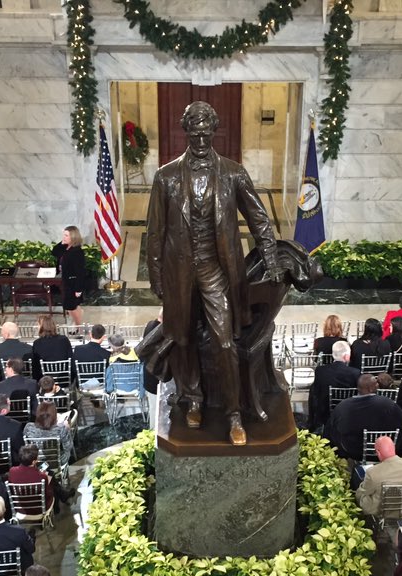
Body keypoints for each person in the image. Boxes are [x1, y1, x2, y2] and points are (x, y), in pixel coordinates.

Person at [145, 101, 281, 447]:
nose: (202, 138)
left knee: (224, 340)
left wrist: (272, 258)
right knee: (184, 338)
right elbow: (156, 231)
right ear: (186, 131)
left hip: (216, 269)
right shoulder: (166, 176)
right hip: (178, 271)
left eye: (207, 132)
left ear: (214, 131)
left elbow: (259, 219)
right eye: (195, 132)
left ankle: (234, 414)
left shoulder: (234, 173)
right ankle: (193, 399)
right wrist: (157, 277)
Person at [324, 374, 402, 461]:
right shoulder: (388, 404)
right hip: (383, 451)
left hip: (352, 451)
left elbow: (329, 430)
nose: (378, 385)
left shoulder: (343, 406)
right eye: (376, 384)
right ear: (370, 389)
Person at [355, 436, 402, 517]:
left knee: (359, 484)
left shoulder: (373, 473)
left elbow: (363, 492)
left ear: (378, 452)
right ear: (394, 447)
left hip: (379, 511)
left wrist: (357, 495)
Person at [308, 340, 360, 430]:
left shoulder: (320, 371)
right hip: (348, 411)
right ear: (346, 356)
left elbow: (316, 393)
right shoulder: (355, 373)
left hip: (325, 411)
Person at [24, 400, 74, 466]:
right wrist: (68, 428)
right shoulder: (61, 428)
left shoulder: (28, 427)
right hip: (58, 461)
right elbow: (68, 447)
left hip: (35, 461)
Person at [54, 226, 86, 327]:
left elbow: (80, 272)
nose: (64, 237)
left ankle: (79, 328)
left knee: (71, 307)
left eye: (66, 235)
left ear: (73, 237)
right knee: (71, 306)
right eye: (64, 235)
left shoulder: (77, 252)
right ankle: (78, 321)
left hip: (73, 283)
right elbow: (54, 252)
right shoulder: (65, 247)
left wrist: (78, 289)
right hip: (66, 282)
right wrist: (62, 242)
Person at [31, 315, 73, 382]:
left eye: (38, 325)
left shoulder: (37, 343)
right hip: (64, 379)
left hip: (45, 381)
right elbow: (71, 358)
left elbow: (35, 367)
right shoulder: (64, 340)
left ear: (42, 327)